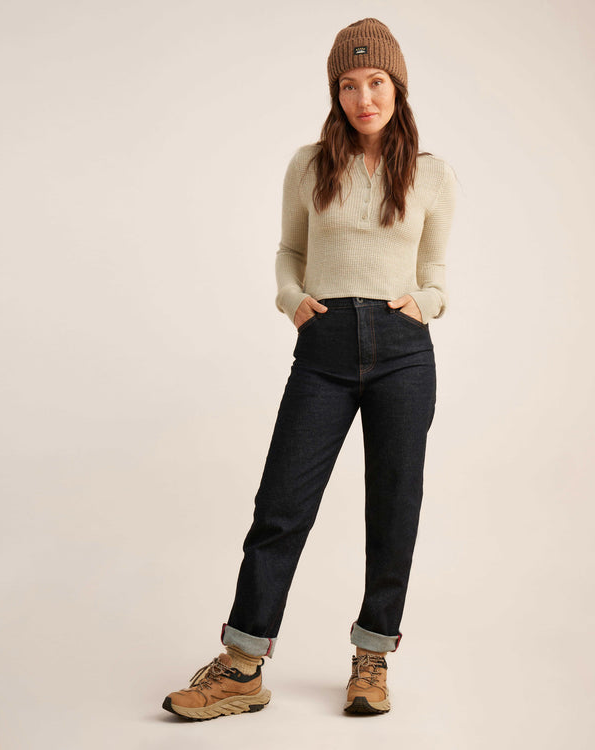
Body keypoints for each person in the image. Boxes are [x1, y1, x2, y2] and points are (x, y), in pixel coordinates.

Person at [162, 17, 456, 719]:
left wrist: (427, 303)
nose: (364, 98)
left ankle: (372, 658)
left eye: (376, 82)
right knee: (281, 506)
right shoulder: (309, 164)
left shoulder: (432, 174)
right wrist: (291, 299)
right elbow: (290, 252)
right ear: (335, 92)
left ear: (398, 86)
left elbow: (436, 269)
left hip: (404, 353)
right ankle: (241, 667)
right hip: (323, 353)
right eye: (349, 85)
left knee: (394, 508)